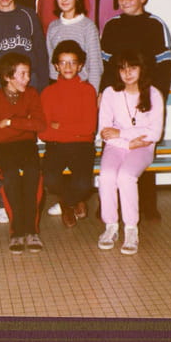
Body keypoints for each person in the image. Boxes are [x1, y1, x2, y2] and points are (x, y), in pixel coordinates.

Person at [100, 0, 171, 220]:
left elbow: (165, 66)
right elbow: (106, 65)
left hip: (145, 98)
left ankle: (147, 206)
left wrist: (154, 97)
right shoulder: (112, 26)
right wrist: (103, 93)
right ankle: (108, 207)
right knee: (113, 146)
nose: (125, 2)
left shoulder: (155, 25)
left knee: (142, 147)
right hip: (118, 97)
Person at [97, 50, 164, 255]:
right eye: (123, 68)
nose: (127, 73)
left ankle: (131, 230)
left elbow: (154, 133)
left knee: (126, 176)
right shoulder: (110, 93)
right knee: (107, 175)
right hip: (116, 146)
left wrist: (122, 133)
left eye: (132, 68)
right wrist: (126, 142)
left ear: (142, 69)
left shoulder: (153, 94)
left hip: (143, 147)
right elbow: (105, 131)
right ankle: (110, 226)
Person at [0, 53, 46, 254]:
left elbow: (39, 124)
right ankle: (17, 232)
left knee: (33, 173)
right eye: (22, 74)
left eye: (28, 74)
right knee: (10, 176)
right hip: (2, 148)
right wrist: (25, 123)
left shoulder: (31, 94)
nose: (27, 79)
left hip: (26, 145)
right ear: (7, 76)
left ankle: (32, 231)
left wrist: (11, 122)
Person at [39, 41, 97, 228]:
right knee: (49, 179)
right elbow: (44, 133)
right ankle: (72, 201)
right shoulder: (48, 92)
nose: (68, 67)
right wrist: (72, 129)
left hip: (82, 146)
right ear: (56, 66)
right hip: (56, 147)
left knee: (84, 184)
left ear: (80, 65)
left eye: (73, 62)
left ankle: (67, 203)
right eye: (63, 62)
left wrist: (59, 127)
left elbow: (88, 128)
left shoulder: (88, 91)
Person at [45, 0, 103, 91]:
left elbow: (95, 66)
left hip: (83, 88)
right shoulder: (53, 27)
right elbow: (52, 64)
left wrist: (93, 93)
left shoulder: (88, 27)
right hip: (60, 89)